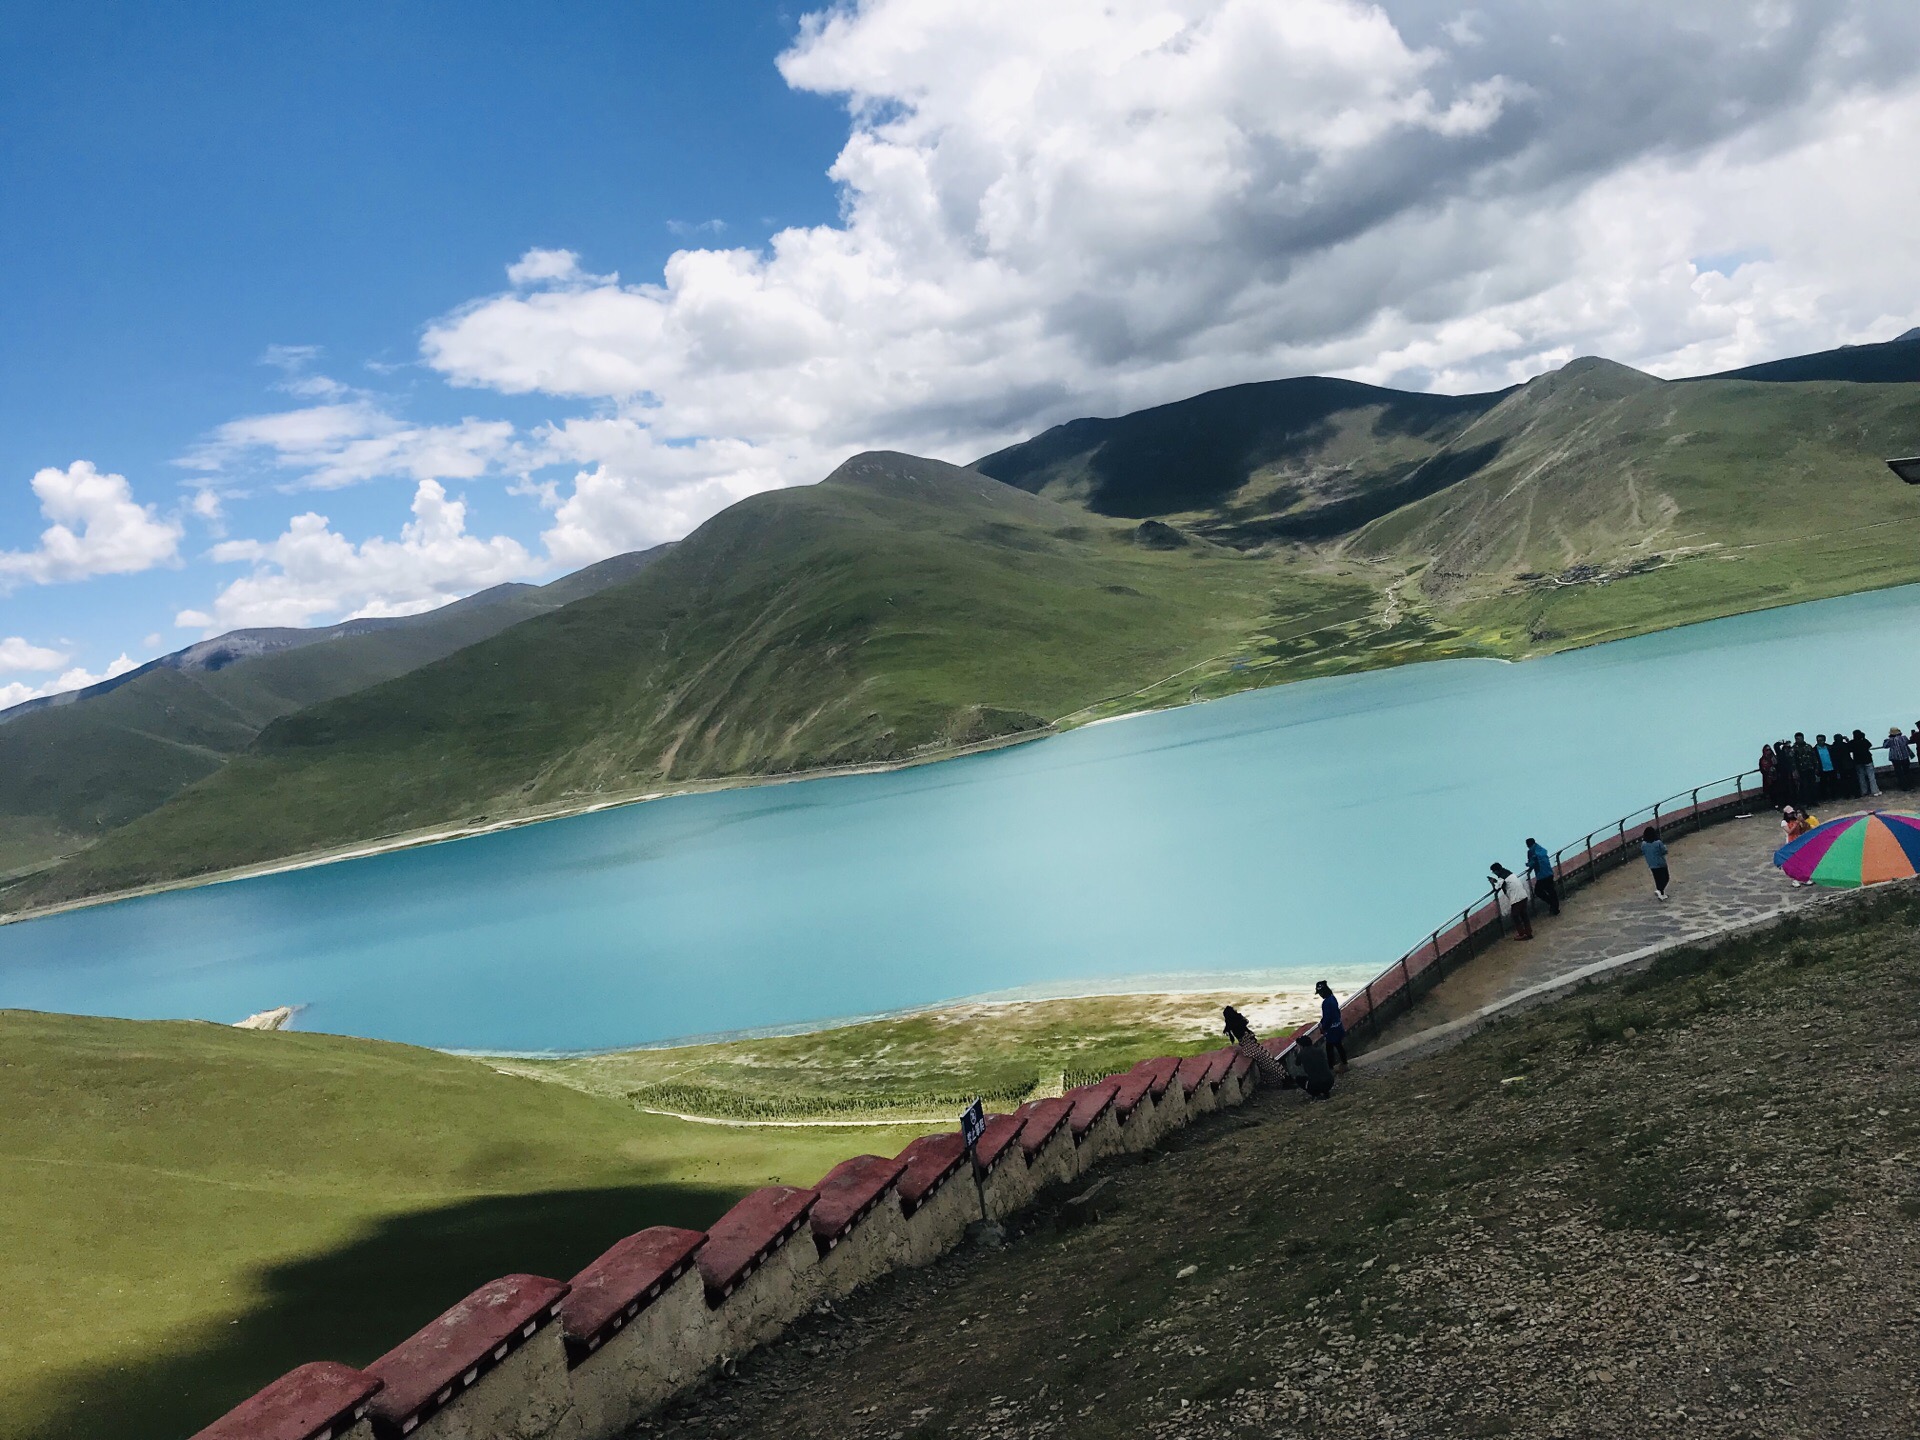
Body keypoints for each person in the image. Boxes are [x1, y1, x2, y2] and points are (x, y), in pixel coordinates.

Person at [1489, 861, 1534, 939]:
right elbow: (1504, 883)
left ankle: (1522, 934)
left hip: (1516, 899)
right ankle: (1528, 932)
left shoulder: (1501, 877)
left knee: (1515, 916)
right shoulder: (1509, 873)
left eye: (1493, 871)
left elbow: (1497, 888)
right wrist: (1497, 882)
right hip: (1523, 895)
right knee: (1524, 915)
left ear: (1496, 871)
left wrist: (1492, 882)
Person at [1314, 980, 1349, 1071]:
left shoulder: (1326, 1003)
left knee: (1330, 1049)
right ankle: (1343, 1063)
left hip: (1332, 1030)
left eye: (1320, 993)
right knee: (1338, 1046)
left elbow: (1327, 1017)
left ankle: (1332, 1067)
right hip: (1338, 1027)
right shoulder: (1333, 998)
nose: (1320, 995)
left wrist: (1323, 1027)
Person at [1525, 837, 1560, 915]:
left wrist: (1528, 865)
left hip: (1542, 876)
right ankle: (1555, 907)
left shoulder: (1531, 852)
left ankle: (1552, 904)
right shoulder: (1541, 849)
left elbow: (1532, 863)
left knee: (1538, 891)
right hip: (1549, 873)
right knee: (1551, 891)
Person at [1641, 825, 1670, 901]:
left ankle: (1661, 893)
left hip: (1651, 864)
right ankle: (1660, 891)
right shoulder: (1658, 842)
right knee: (1666, 878)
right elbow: (1664, 851)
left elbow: (1643, 852)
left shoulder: (1643, 844)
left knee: (1657, 879)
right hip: (1660, 863)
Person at [1851, 729, 1881, 797]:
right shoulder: (1864, 741)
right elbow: (1869, 745)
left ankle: (1864, 791)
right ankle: (1874, 791)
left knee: (1861, 777)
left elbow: (1849, 748)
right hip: (1867, 760)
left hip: (1858, 761)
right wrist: (1863, 737)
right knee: (1871, 776)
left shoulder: (1852, 742)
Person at [1793, 734, 1820, 807]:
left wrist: (1816, 767)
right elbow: (1793, 761)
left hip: (1810, 768)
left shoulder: (1808, 746)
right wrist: (1795, 771)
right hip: (1801, 770)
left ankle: (1814, 801)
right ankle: (1808, 803)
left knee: (1813, 785)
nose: (1798, 740)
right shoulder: (1794, 748)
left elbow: (1814, 757)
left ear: (1803, 738)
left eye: (1799, 738)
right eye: (1796, 739)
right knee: (1805, 787)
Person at [1814, 735, 1839, 799]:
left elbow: (1835, 757)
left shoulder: (1829, 747)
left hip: (1831, 767)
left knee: (1833, 783)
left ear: (1824, 740)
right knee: (1823, 784)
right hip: (1822, 769)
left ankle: (1834, 796)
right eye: (1818, 740)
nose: (1819, 742)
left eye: (1821, 740)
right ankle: (1824, 797)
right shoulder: (1814, 750)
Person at [1891, 727, 1914, 792]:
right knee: (1907, 771)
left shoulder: (1890, 740)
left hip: (1895, 758)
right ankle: (1911, 785)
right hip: (1905, 756)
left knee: (1899, 773)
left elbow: (1885, 745)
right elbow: (1908, 741)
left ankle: (1904, 787)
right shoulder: (1904, 738)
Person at [1758, 743, 1781, 808]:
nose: (1769, 751)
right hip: (1769, 779)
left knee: (1778, 791)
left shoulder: (1774, 757)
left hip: (1776, 777)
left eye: (1769, 750)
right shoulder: (1762, 760)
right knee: (1772, 792)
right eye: (1767, 750)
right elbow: (1762, 769)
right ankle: (1775, 804)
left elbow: (1778, 765)